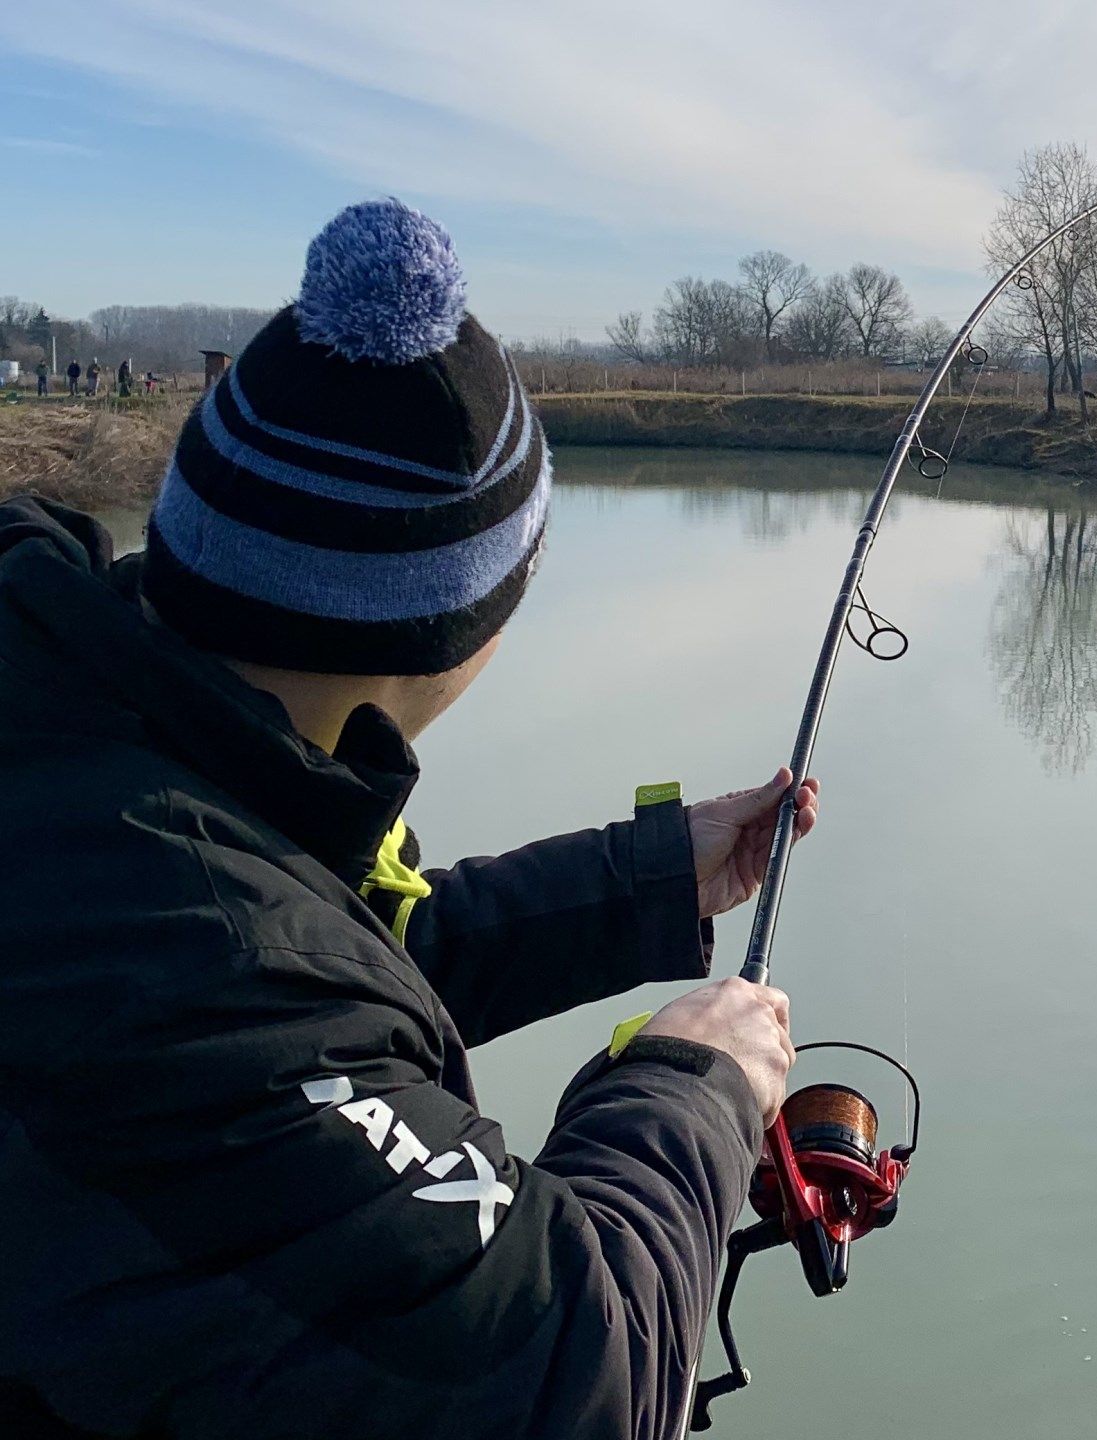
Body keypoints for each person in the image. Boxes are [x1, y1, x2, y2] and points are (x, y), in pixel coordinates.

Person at [0, 199, 819, 1440]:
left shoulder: (96, 737)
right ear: (450, 631)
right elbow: (577, 1371)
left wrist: (651, 875)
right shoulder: (195, 969)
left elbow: (321, 971)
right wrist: (694, 1086)